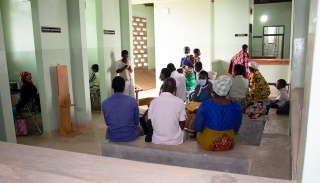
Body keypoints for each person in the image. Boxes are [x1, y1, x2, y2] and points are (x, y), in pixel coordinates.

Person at [194, 75, 242, 151]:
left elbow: (198, 127)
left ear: (214, 88)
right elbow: (236, 129)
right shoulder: (236, 106)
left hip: (209, 143)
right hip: (229, 143)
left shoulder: (206, 104)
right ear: (228, 91)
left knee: (198, 134)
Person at [101, 76, 143, 142]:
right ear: (124, 87)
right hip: (130, 135)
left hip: (113, 136)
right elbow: (136, 122)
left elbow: (107, 123)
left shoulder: (105, 103)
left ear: (112, 87)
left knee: (107, 131)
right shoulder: (132, 100)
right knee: (140, 128)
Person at [147, 78, 186, 145]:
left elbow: (149, 121)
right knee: (185, 133)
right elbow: (182, 126)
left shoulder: (153, 102)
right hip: (175, 141)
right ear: (175, 89)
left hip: (157, 140)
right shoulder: (180, 102)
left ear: (162, 86)